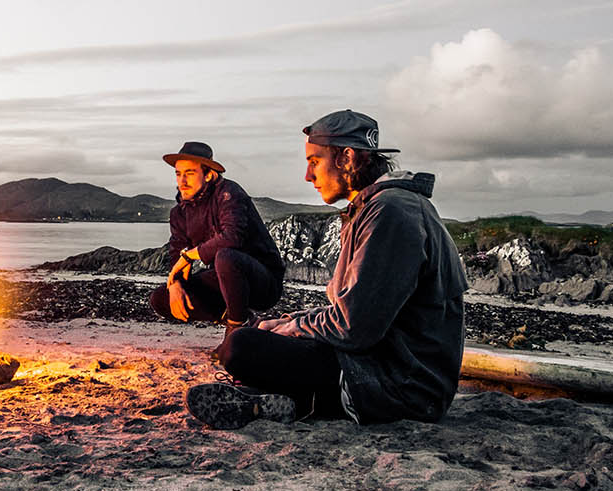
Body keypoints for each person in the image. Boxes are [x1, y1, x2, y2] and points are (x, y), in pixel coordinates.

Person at [186, 110, 468, 429]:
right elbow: (355, 310)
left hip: (402, 387)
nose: (308, 175)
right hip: (380, 367)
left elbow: (353, 327)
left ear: (346, 158)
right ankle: (289, 403)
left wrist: (293, 329)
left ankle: (293, 400)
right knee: (256, 333)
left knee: (241, 348)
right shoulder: (378, 208)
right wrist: (289, 321)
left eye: (314, 161)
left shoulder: (390, 213)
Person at [149, 142, 285, 336]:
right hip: (225, 282)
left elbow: (233, 237)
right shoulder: (179, 213)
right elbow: (176, 254)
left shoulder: (228, 193)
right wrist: (176, 284)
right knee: (161, 298)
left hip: (262, 280)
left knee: (226, 256)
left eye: (189, 173)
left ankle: (236, 331)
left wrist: (190, 256)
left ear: (209, 175)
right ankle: (245, 320)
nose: (182, 181)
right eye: (178, 174)